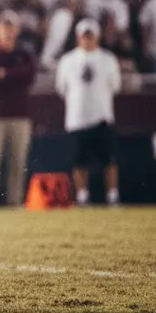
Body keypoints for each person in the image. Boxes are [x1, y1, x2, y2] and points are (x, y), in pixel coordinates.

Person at [56, 19, 122, 207]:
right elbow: (62, 88)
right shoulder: (68, 60)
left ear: (97, 37)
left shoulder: (108, 59)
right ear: (78, 38)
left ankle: (112, 195)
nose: (87, 40)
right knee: (79, 161)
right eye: (84, 36)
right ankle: (83, 196)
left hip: (102, 116)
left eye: (90, 36)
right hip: (77, 118)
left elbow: (115, 86)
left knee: (109, 159)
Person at [0, 11, 37, 210]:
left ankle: (15, 201)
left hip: (19, 116)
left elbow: (29, 75)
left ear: (17, 30)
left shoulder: (23, 55)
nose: (7, 32)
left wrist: (6, 74)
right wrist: (14, 77)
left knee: (18, 163)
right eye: (4, 27)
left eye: (11, 27)